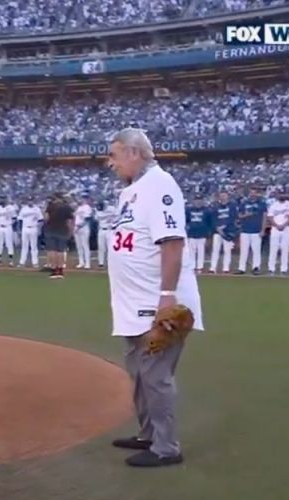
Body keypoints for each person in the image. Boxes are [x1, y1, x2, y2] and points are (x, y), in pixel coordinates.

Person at [106, 128, 202, 467]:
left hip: (155, 301)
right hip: (133, 303)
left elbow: (172, 242)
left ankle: (166, 447)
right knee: (138, 372)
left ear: (134, 153)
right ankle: (148, 434)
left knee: (156, 375)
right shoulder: (131, 191)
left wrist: (166, 296)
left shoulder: (160, 185)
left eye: (115, 155)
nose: (110, 162)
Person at [236, 185, 266, 275]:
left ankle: (256, 267)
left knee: (256, 250)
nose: (253, 194)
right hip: (245, 230)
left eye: (254, 192)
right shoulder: (244, 203)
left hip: (256, 230)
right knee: (244, 250)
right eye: (251, 192)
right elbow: (239, 216)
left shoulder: (262, 203)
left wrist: (263, 230)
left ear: (257, 193)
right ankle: (241, 268)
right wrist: (246, 215)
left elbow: (264, 217)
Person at [43, 192, 75, 279]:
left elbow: (46, 218)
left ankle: (53, 271)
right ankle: (60, 271)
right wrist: (71, 232)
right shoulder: (67, 207)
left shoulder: (51, 206)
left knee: (52, 250)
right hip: (63, 230)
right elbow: (70, 221)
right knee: (61, 251)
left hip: (51, 230)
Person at [266, 189, 289, 275]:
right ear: (277, 195)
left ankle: (284, 269)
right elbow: (270, 217)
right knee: (273, 249)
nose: (282, 195)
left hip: (286, 228)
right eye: (280, 194)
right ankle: (271, 269)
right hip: (275, 228)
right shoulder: (273, 205)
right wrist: (276, 225)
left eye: (283, 194)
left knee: (285, 249)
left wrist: (283, 225)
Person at [185, 195, 211, 274]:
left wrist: (208, 233)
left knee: (201, 251)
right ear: (193, 201)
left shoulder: (207, 211)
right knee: (191, 252)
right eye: (196, 200)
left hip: (202, 234)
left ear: (202, 201)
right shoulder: (188, 210)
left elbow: (209, 223)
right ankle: (192, 267)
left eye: (199, 200)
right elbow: (186, 221)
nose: (198, 202)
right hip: (192, 234)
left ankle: (200, 267)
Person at [18, 198, 42, 268]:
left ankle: (35, 262)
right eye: (29, 200)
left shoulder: (37, 209)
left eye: (31, 200)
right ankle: (22, 262)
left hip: (34, 228)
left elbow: (40, 220)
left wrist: (39, 229)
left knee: (33, 246)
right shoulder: (23, 209)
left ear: (33, 201)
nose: (30, 202)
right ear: (27, 201)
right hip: (25, 228)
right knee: (24, 246)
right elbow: (20, 220)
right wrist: (19, 229)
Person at [0, 197, 18, 267]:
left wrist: (10, 223)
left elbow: (14, 218)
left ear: (6, 200)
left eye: (4, 199)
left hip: (8, 227)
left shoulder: (11, 208)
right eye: (1, 199)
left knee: (9, 243)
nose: (2, 200)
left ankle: (11, 260)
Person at [73, 194, 94, 269]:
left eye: (83, 198)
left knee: (85, 245)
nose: (81, 200)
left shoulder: (87, 207)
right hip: (77, 227)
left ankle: (87, 263)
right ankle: (81, 262)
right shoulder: (78, 208)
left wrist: (79, 226)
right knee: (79, 246)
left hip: (84, 228)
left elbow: (87, 219)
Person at [95, 199, 116, 268]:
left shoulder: (112, 209)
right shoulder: (98, 210)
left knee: (109, 247)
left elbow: (118, 216)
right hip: (101, 229)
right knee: (101, 247)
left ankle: (110, 262)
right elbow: (96, 218)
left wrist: (112, 219)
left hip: (110, 230)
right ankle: (101, 263)